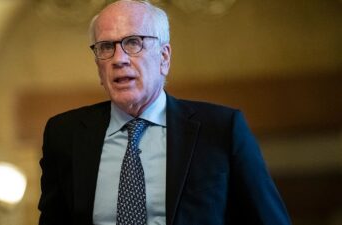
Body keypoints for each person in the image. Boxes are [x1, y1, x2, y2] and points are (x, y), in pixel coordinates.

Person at [38, 0, 291, 225]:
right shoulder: (64, 135)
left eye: (133, 42)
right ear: (98, 65)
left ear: (164, 57)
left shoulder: (222, 128)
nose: (119, 59)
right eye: (106, 47)